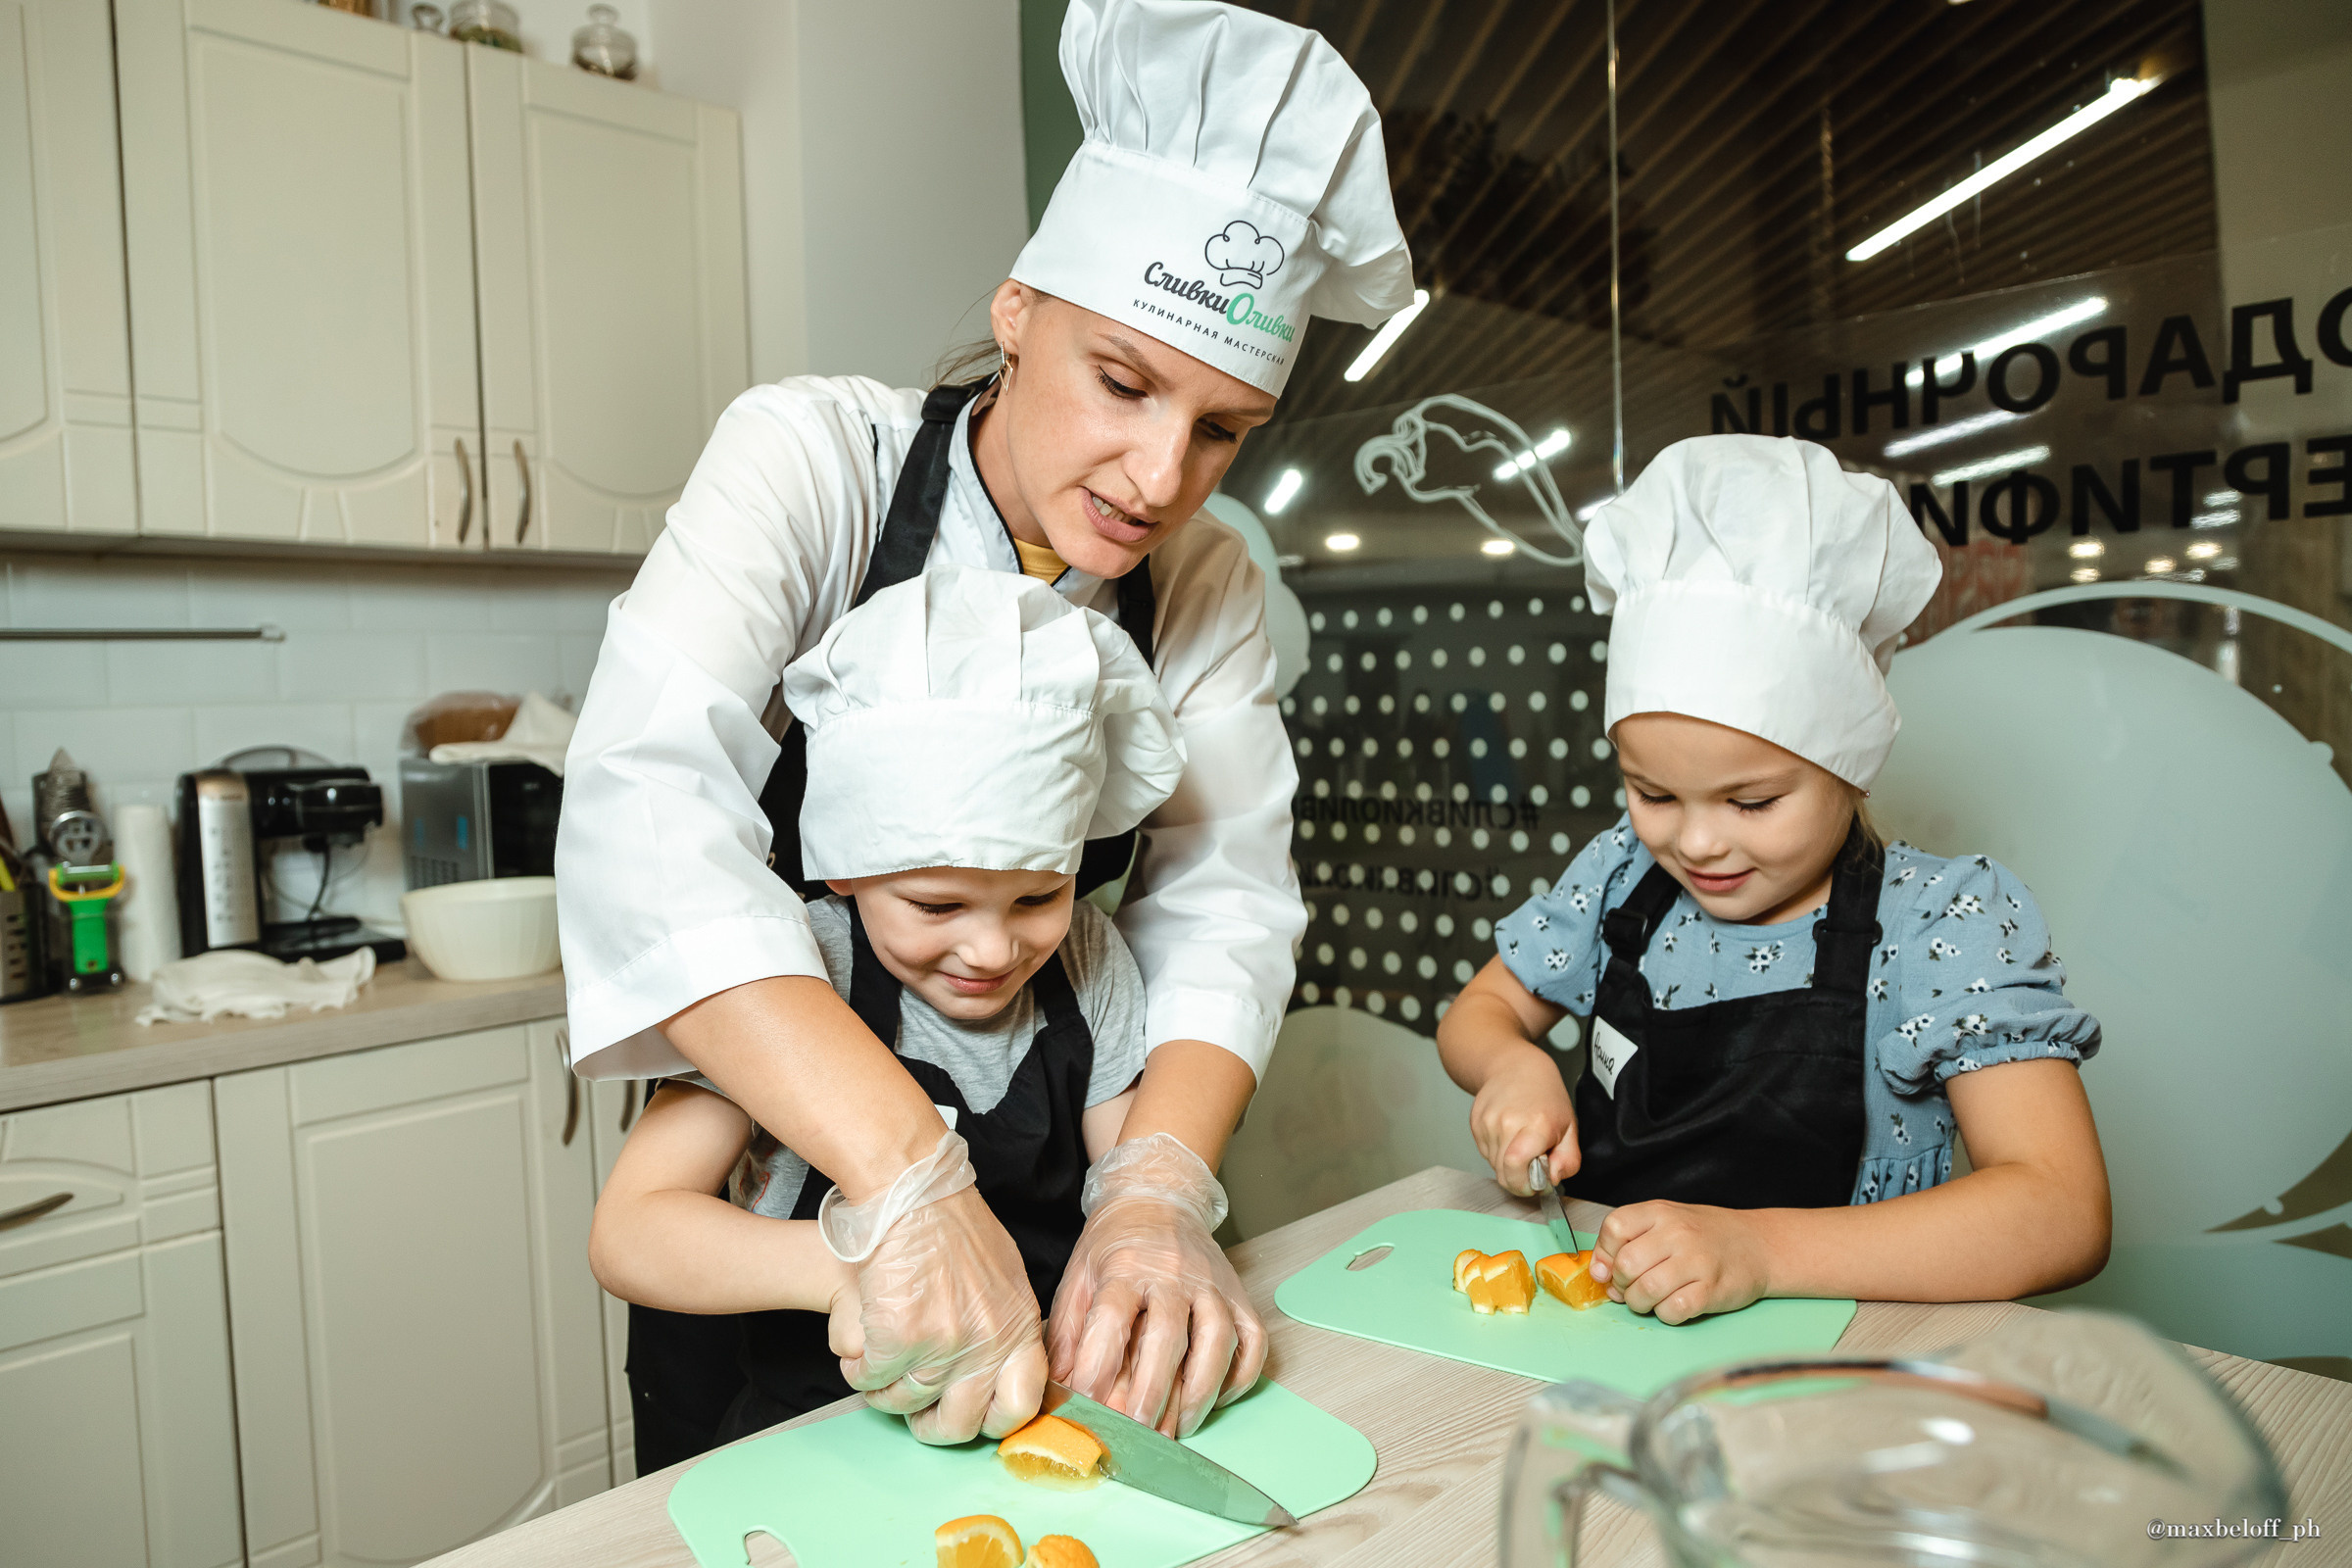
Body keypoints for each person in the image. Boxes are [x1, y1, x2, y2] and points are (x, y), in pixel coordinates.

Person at [554, 0, 1413, 1459]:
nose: (1158, 478)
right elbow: (653, 814)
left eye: (1222, 430)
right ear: (1020, 310)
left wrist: (1150, 1193)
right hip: (802, 1240)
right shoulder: (813, 463)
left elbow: (1226, 900)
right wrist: (897, 1189)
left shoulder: (1203, 585)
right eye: (1124, 384)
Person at [1436, 435, 2112, 1326]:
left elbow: (2062, 1212)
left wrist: (1759, 1250)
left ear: (1850, 770)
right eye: (1653, 791)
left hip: (1845, 1360)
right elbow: (1477, 1016)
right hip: (1608, 1330)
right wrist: (1511, 1065)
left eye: (1752, 801)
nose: (1699, 842)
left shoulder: (1938, 923)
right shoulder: (1621, 875)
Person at [589, 566, 1195, 1444]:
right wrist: (850, 1266)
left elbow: (1118, 1182)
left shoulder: (1090, 957)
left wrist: (1145, 1248)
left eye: (1037, 897)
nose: (993, 950)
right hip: (813, 1436)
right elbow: (631, 1231)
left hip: (1038, 1421)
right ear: (847, 866)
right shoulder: (791, 972)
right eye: (937, 906)